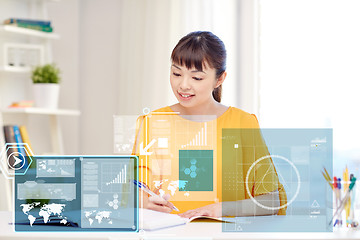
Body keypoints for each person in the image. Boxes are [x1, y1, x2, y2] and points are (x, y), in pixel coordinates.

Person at [133, 31, 287, 218]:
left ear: (219, 79)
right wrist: (142, 202)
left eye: (196, 78)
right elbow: (133, 192)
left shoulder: (242, 123)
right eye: (176, 73)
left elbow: (271, 200)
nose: (183, 85)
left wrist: (221, 209)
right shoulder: (152, 123)